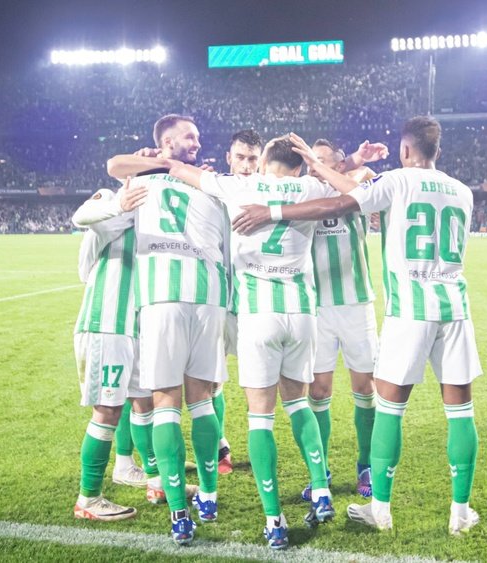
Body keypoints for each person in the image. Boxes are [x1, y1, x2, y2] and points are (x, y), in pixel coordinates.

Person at [232, 116, 483, 536]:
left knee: (388, 407)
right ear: (436, 150)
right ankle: (461, 512)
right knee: (460, 412)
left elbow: (338, 202)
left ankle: (380, 509)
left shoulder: (397, 180)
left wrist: (272, 210)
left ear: (405, 151)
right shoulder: (463, 192)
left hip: (409, 309)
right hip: (456, 308)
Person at [127, 133, 362, 549]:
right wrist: (323, 162)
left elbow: (179, 171)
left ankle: (272, 520)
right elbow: (352, 191)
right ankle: (321, 488)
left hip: (257, 313)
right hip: (302, 312)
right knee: (299, 404)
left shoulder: (241, 185)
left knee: (258, 418)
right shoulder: (310, 186)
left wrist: (157, 157)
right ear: (299, 163)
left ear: (265, 158)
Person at [104, 114, 228, 545]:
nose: (197, 142)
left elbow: (112, 167)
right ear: (167, 141)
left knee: (165, 403)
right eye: (190, 136)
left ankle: (180, 510)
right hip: (209, 294)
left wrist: (148, 163)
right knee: (203, 400)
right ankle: (208, 495)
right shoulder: (205, 183)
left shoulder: (141, 183)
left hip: (162, 296)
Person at [69, 187, 162, 522]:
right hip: (107, 323)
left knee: (144, 399)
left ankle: (152, 477)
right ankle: (88, 498)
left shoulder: (156, 211)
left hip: (135, 326)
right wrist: (119, 203)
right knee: (107, 410)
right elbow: (81, 217)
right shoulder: (114, 202)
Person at [304, 138, 387, 501]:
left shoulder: (357, 191)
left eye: (322, 161)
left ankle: (365, 464)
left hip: (356, 305)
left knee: (364, 389)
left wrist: (354, 165)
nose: (314, 166)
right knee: (318, 391)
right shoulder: (303, 195)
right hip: (317, 309)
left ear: (338, 165)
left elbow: (359, 180)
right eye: (311, 160)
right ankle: (318, 470)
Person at [214, 128, 265, 475]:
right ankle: (220, 449)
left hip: (253, 304)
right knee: (212, 379)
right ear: (228, 158)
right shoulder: (212, 191)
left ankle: (259, 443)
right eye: (241, 158)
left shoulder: (270, 191)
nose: (246, 166)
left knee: (256, 380)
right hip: (215, 301)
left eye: (253, 159)